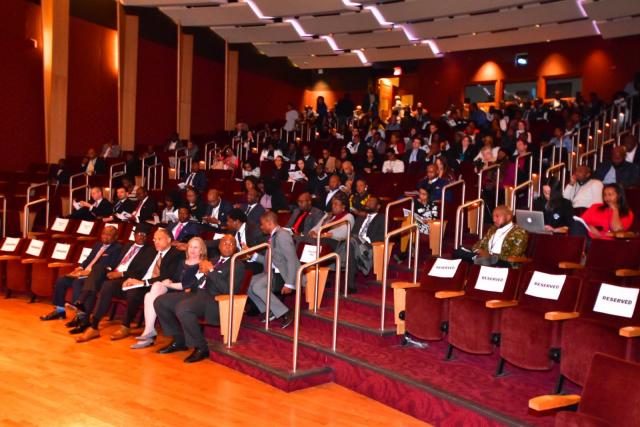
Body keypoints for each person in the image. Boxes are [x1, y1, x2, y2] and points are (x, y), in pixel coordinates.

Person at [76, 228, 184, 343]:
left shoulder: (176, 254)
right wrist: (130, 279)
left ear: (168, 240)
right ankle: (94, 326)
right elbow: (136, 269)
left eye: (159, 239)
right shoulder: (151, 251)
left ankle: (125, 326)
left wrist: (142, 282)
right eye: (154, 239)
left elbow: (168, 276)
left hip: (153, 286)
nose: (156, 242)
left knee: (134, 292)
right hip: (139, 282)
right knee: (108, 286)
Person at [154, 234, 245, 363]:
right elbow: (198, 280)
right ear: (219, 246)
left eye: (231, 243)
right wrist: (191, 283)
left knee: (183, 308)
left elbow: (229, 290)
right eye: (224, 243)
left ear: (235, 247)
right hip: (197, 293)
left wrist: (211, 271)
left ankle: (201, 347)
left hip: (215, 299)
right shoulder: (212, 260)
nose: (228, 245)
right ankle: (179, 340)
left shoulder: (237, 264)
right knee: (161, 301)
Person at [65, 224, 153, 334]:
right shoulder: (127, 245)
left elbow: (141, 270)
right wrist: (110, 270)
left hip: (125, 277)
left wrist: (120, 274)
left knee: (98, 284)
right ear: (134, 235)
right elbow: (115, 261)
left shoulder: (150, 250)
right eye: (139, 234)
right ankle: (83, 312)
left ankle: (86, 315)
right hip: (112, 272)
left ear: (148, 236)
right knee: (97, 269)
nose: (141, 237)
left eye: (144, 235)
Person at [132, 237, 208, 349]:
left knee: (153, 294)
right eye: (190, 246)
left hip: (187, 293)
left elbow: (186, 285)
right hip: (174, 289)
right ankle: (149, 330)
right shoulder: (182, 262)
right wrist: (169, 282)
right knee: (153, 290)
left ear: (201, 250)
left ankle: (149, 333)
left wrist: (169, 284)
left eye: (196, 247)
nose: (192, 249)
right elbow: (174, 278)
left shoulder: (202, 265)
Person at [39, 226, 121, 322]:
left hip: (96, 277)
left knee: (77, 282)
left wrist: (89, 272)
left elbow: (111, 266)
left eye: (108, 235)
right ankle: (60, 311)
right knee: (61, 281)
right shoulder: (98, 245)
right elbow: (88, 260)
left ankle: (80, 315)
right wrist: (80, 268)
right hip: (83, 273)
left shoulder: (117, 248)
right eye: (103, 234)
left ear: (115, 237)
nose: (105, 237)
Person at [247, 212, 298, 328]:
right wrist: (253, 255)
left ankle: (285, 312)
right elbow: (271, 259)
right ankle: (268, 310)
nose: (261, 227)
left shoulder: (282, 236)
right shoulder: (274, 236)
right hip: (272, 272)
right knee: (247, 283)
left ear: (269, 223)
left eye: (262, 224)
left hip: (282, 275)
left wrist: (289, 284)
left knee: (257, 286)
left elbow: (291, 260)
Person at [457, 205, 528, 267]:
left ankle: (475, 259)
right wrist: (478, 250)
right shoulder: (492, 229)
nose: (494, 220)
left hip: (503, 262)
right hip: (486, 258)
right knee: (457, 252)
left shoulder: (519, 232)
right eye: (493, 216)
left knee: (483, 261)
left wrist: (490, 255)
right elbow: (478, 245)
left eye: (497, 216)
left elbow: (514, 255)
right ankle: (475, 258)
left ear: (508, 217)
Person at [345, 196, 384, 292]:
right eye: (368, 201)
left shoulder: (382, 218)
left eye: (372, 201)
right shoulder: (361, 217)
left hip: (369, 247)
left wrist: (365, 239)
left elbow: (382, 236)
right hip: (355, 244)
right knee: (349, 242)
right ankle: (350, 284)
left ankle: (350, 283)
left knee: (351, 242)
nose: (368, 203)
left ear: (378, 206)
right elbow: (353, 233)